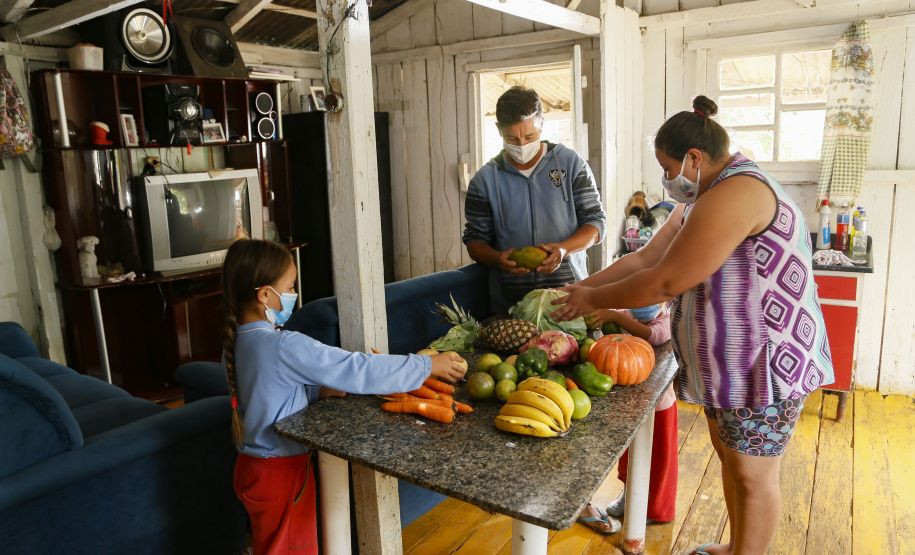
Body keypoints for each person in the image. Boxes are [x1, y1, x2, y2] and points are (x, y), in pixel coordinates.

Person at [551, 96, 833, 555]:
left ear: (694, 159)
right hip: (730, 368)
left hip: (765, 366)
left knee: (753, 474)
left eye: (668, 168)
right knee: (731, 461)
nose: (666, 180)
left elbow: (666, 281)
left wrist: (593, 301)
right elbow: (644, 258)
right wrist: (579, 289)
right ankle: (737, 547)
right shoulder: (705, 195)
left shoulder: (739, 192)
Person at [221, 239, 467, 555]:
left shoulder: (237, 342)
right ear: (264, 295)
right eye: (290, 287)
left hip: (252, 469)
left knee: (272, 546)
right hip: (283, 473)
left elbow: (266, 389)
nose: (294, 296)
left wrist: (314, 391)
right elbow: (355, 368)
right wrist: (426, 364)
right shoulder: (284, 346)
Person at [462, 85, 607, 313]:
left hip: (569, 299)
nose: (521, 145)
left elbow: (596, 223)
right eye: (512, 138)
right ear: (498, 128)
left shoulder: (571, 164)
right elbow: (474, 241)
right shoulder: (484, 181)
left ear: (541, 123)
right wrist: (499, 259)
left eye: (530, 136)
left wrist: (563, 250)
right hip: (511, 308)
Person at [576, 303, 677, 533]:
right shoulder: (625, 314)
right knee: (633, 460)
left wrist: (614, 316)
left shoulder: (666, 321)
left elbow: (653, 336)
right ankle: (630, 496)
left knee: (656, 462)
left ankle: (654, 510)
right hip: (631, 404)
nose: (643, 305)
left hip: (658, 408)